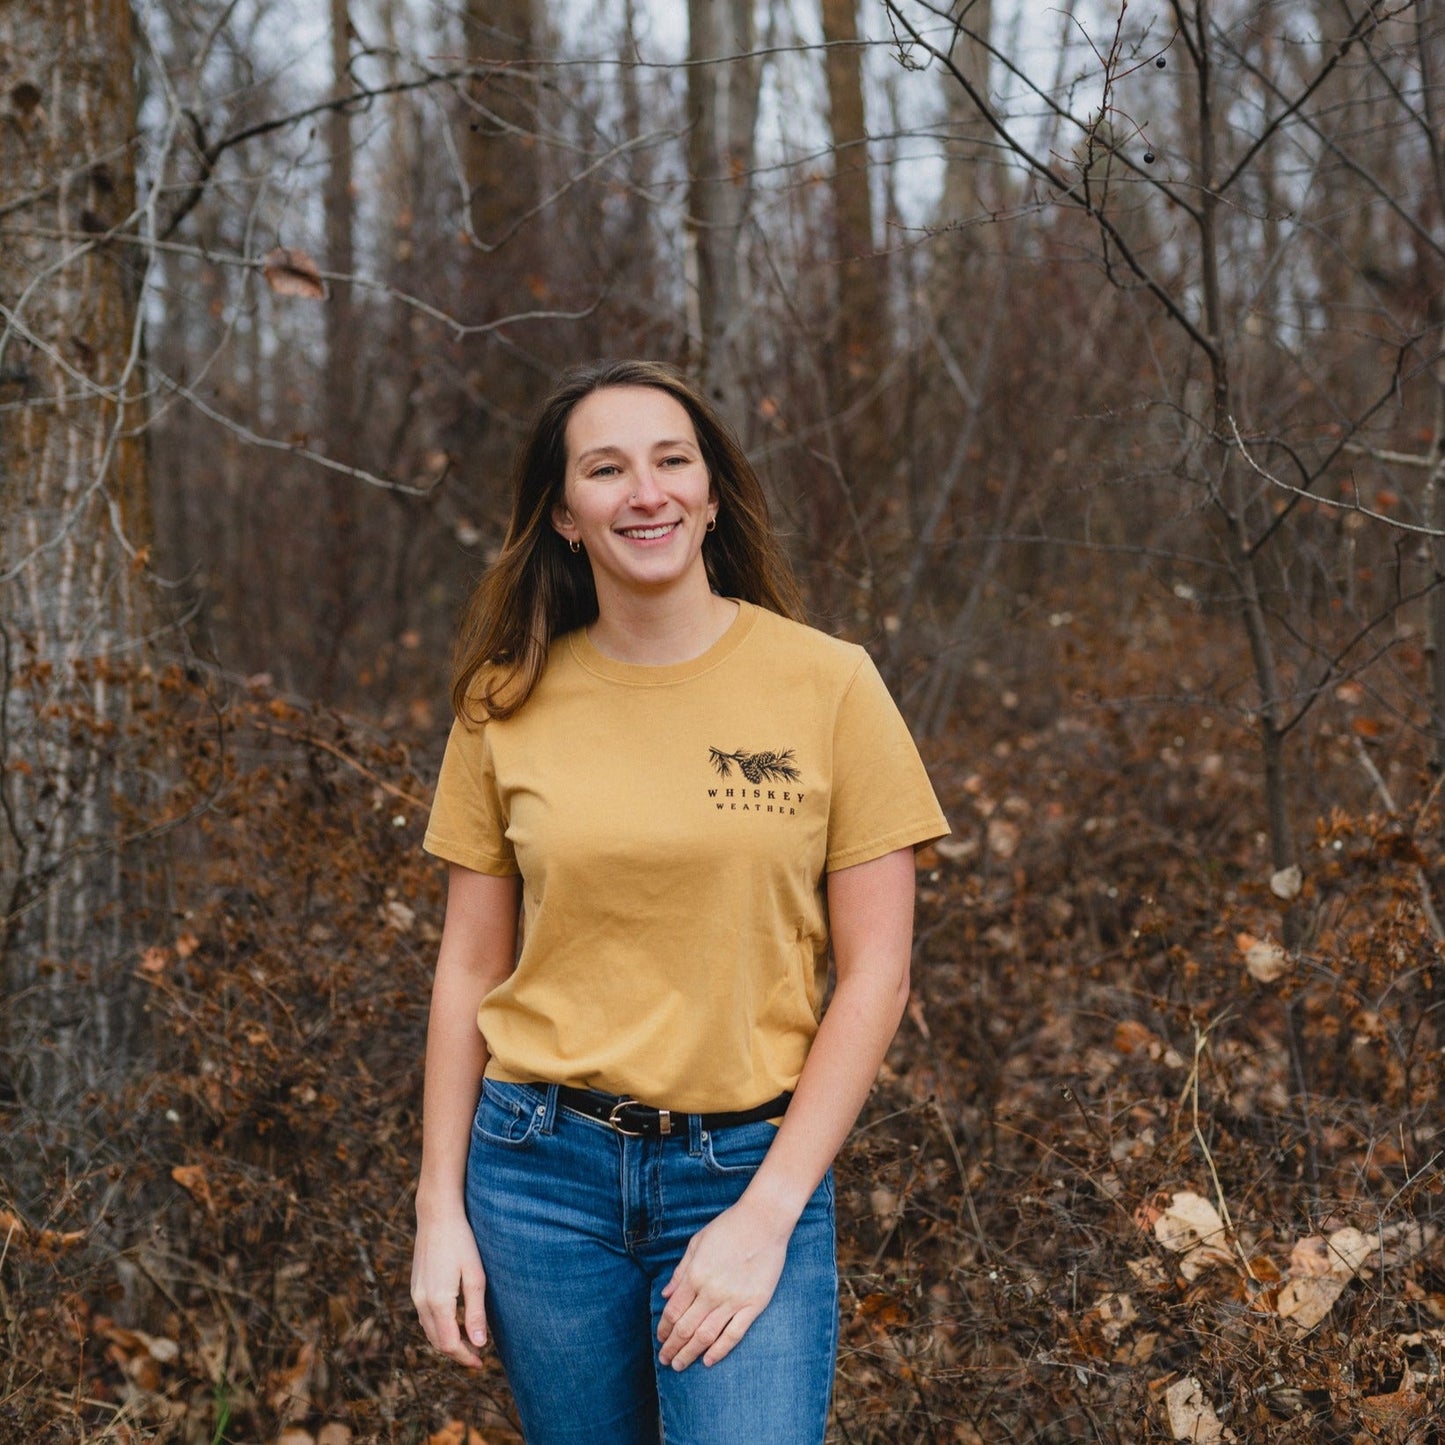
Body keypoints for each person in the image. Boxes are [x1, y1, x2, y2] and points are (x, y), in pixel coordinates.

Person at [410, 359, 948, 1444]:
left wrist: (767, 1209)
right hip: (536, 1173)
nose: (643, 492)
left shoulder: (827, 683)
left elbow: (877, 969)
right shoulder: (502, 703)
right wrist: (437, 1210)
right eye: (604, 469)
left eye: (670, 461)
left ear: (710, 492)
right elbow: (468, 968)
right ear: (565, 515)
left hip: (746, 1165)